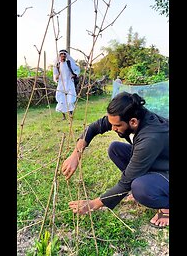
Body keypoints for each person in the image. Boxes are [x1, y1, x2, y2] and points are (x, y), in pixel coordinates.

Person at [61, 92, 169, 228]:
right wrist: (76, 154)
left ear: (133, 122)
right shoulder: (129, 116)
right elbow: (93, 127)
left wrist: (92, 204)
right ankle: (150, 183)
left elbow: (126, 182)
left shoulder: (150, 137)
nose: (112, 128)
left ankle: (166, 207)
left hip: (166, 169)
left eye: (117, 126)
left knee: (140, 188)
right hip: (158, 160)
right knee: (115, 149)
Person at [53, 49, 80, 120]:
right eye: (61, 54)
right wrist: (56, 77)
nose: (63, 56)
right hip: (61, 84)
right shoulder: (57, 65)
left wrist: (74, 75)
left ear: (66, 56)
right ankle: (64, 117)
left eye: (64, 54)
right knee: (61, 99)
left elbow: (77, 70)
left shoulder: (69, 63)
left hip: (69, 83)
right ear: (59, 56)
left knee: (70, 99)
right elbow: (55, 74)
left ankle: (70, 115)